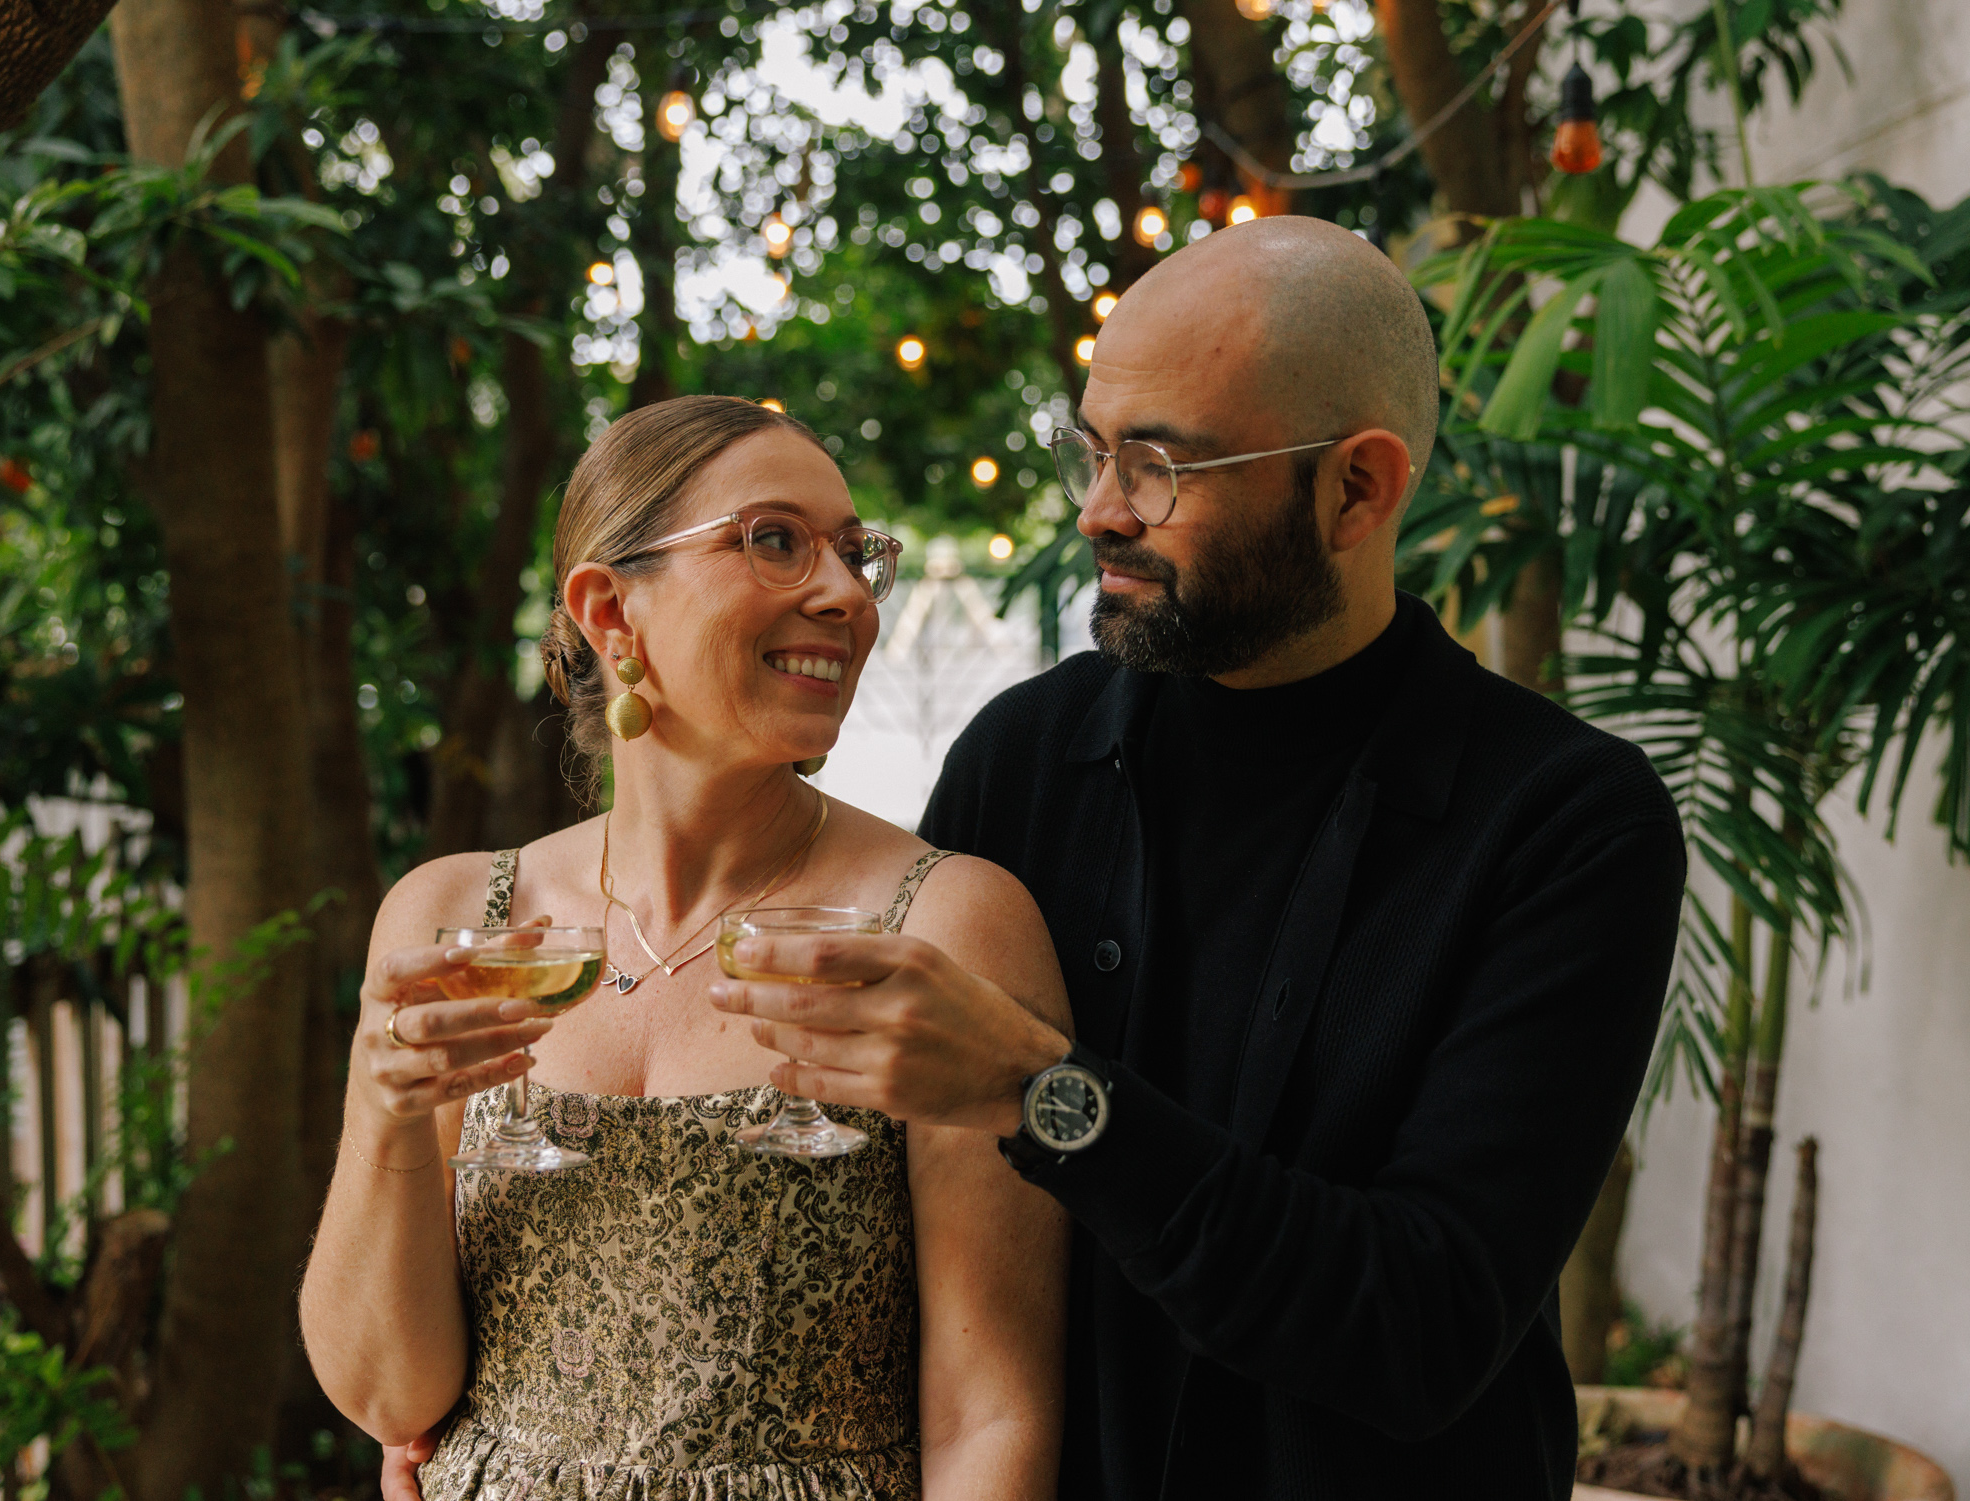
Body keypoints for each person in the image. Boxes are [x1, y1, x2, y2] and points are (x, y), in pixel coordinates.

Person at [700, 217, 1688, 1497]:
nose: (1098, 512)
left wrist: (1043, 1093)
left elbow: (1422, 1328)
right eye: (1092, 451)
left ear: (1356, 489)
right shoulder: (1020, 756)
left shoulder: (1565, 822)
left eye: (1159, 465)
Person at [303, 395, 1069, 1501]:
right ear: (609, 609)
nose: (847, 594)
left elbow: (989, 1415)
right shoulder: (457, 918)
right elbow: (392, 1398)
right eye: (776, 541)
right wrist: (386, 1116)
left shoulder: (942, 925)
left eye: (856, 554)